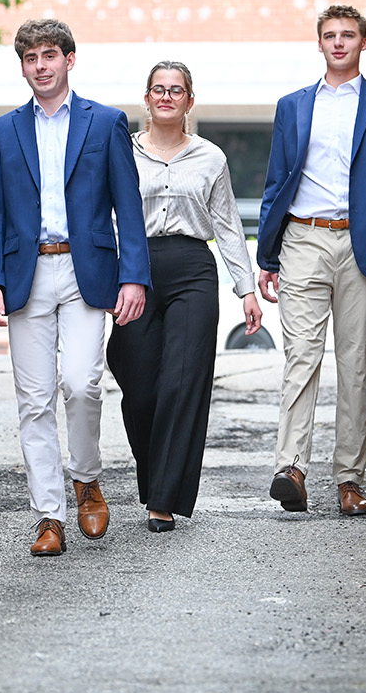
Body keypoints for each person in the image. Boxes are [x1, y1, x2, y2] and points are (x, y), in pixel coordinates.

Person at [0, 19, 150, 557]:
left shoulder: (105, 124)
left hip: (86, 272)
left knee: (81, 384)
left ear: (69, 60)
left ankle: (87, 479)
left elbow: (129, 206)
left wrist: (134, 275)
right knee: (33, 401)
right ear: (23, 65)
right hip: (26, 273)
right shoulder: (4, 132)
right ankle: (48, 515)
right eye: (30, 59)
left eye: (49, 55)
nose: (41, 67)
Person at [256, 4, 366, 517]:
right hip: (303, 240)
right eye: (330, 35)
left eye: (348, 35)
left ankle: (349, 478)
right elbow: (276, 181)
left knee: (356, 364)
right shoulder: (293, 105)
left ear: (363, 43)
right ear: (320, 43)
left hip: (365, 245)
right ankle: (291, 468)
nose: (338, 43)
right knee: (300, 357)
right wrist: (267, 254)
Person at [106, 62, 262, 533]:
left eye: (177, 90)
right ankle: (154, 473)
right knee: (141, 389)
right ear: (148, 99)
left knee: (182, 381)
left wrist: (247, 288)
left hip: (193, 269)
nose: (167, 97)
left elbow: (229, 226)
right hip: (136, 270)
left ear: (189, 101)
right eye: (159, 90)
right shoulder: (122, 152)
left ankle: (164, 498)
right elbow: (104, 217)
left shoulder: (212, 157)